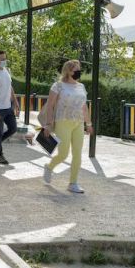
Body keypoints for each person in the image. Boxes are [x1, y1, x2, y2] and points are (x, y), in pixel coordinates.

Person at [42, 60, 93, 193]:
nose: (78, 72)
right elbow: (50, 105)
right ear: (68, 71)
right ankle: (49, 167)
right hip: (62, 121)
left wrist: (88, 124)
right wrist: (48, 124)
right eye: (76, 69)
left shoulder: (81, 86)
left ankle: (73, 183)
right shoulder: (58, 86)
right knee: (63, 154)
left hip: (78, 123)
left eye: (79, 69)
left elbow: (84, 106)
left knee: (77, 154)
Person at [0, 50, 19, 165]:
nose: (5, 61)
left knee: (13, 129)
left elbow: (10, 87)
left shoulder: (6, 71)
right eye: (2, 59)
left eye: (5, 59)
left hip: (8, 107)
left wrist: (15, 102)